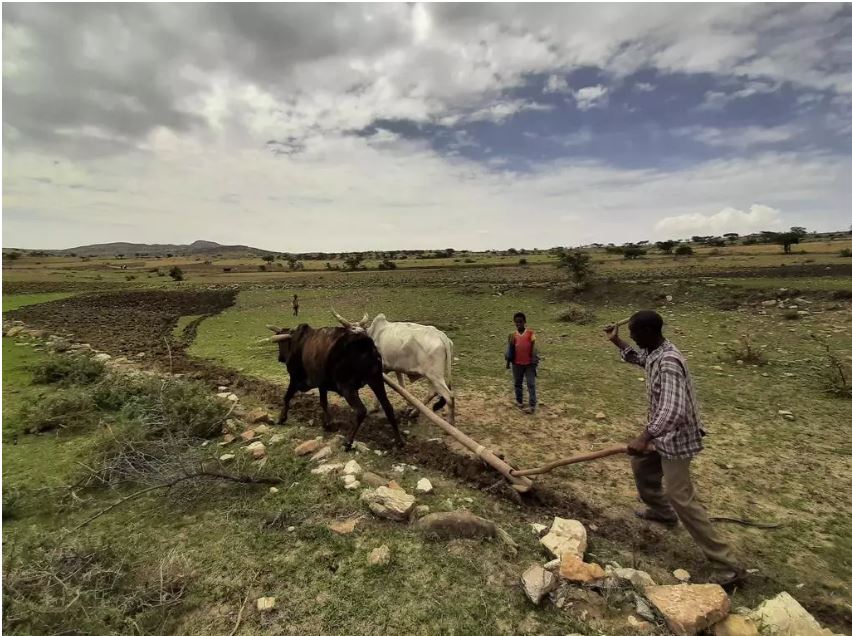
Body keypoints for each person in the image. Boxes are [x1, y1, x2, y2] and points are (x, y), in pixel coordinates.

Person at [604, 310, 743, 586]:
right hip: (661, 434)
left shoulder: (669, 361)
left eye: (633, 331)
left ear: (647, 332)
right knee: (642, 468)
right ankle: (663, 513)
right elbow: (641, 359)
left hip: (676, 437)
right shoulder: (656, 352)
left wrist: (644, 437)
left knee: (680, 495)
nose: (630, 334)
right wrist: (617, 342)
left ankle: (727, 565)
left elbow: (674, 411)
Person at [505, 312, 538, 414]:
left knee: (531, 384)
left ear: (524, 322)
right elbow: (510, 350)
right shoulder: (513, 336)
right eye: (516, 322)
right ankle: (519, 402)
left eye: (520, 322)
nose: (518, 324)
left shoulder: (530, 333)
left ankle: (532, 405)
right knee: (518, 383)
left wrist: (533, 360)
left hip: (529, 364)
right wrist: (508, 363)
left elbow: (533, 347)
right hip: (517, 364)